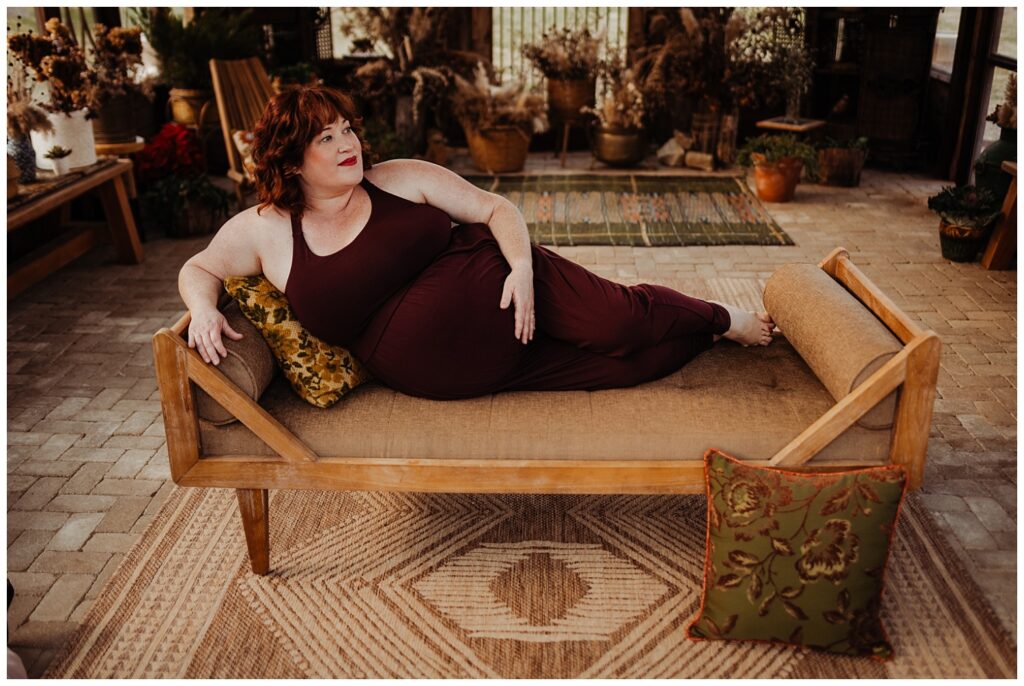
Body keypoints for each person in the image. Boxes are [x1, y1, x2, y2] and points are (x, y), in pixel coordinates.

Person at [178, 86, 774, 400]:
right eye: (327, 138)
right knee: (632, 367)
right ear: (292, 159)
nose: (348, 143)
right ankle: (705, 337)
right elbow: (199, 267)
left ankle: (723, 316)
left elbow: (496, 207)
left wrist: (520, 269)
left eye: (349, 129)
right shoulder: (265, 230)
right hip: (458, 373)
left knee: (622, 324)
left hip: (512, 285)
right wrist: (203, 308)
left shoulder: (398, 177)